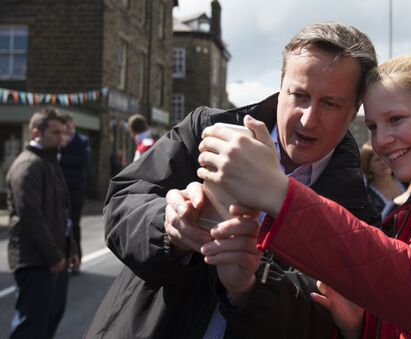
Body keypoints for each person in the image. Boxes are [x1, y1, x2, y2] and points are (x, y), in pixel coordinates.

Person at [198, 54, 411, 338]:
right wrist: (361, 326)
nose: (382, 140)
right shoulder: (407, 215)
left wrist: (280, 194)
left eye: (396, 119)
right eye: (375, 126)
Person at [86, 22, 380, 338]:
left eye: (330, 103)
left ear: (354, 111)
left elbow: (326, 320)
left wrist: (250, 285)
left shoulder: (360, 216)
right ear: (281, 85)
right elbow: (122, 201)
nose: (308, 118)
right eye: (299, 95)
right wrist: (168, 227)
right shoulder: (206, 129)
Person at [6, 109, 79, 339]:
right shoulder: (27, 165)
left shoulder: (49, 162)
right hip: (35, 261)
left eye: (64, 133)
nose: (62, 138)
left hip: (54, 259)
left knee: (48, 324)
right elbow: (31, 216)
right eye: (55, 132)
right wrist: (54, 256)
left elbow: (64, 214)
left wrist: (71, 249)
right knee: (30, 327)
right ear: (36, 132)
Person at [59, 112, 91, 272]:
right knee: (60, 223)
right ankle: (62, 258)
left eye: (70, 124)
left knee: (74, 224)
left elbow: (83, 161)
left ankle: (76, 258)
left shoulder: (82, 141)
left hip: (76, 189)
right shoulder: (59, 141)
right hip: (59, 189)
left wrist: (62, 158)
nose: (68, 128)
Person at [360, 143, 405, 219]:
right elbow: (378, 223)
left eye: (386, 157)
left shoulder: (406, 180)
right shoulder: (366, 196)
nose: (384, 162)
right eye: (377, 160)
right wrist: (395, 203)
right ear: (368, 165)